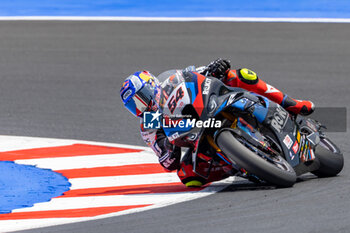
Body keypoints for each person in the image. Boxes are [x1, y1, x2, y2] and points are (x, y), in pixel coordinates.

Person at [120, 59, 315, 187]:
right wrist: (169, 146)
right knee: (188, 177)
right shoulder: (148, 125)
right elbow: (166, 162)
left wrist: (215, 67)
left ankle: (291, 103)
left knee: (240, 75)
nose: (141, 106)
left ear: (151, 84)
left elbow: (195, 74)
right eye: (134, 106)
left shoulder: (170, 82)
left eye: (141, 98)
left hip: (209, 106)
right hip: (196, 137)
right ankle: (245, 165)